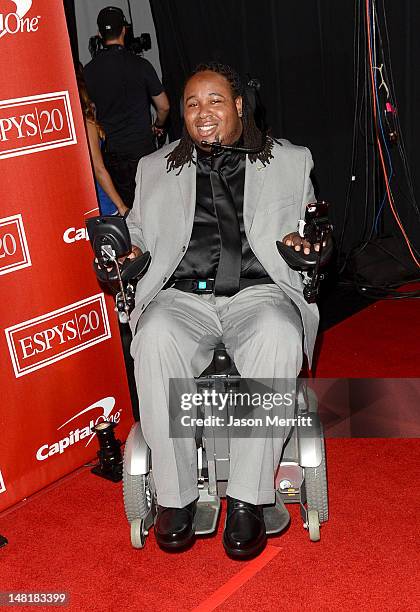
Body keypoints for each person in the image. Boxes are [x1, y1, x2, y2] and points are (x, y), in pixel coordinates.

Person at [125, 62, 320, 559]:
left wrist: (307, 245)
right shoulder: (155, 168)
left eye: (214, 100)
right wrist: (127, 252)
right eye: (191, 104)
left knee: (279, 331)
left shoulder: (291, 161)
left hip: (257, 293)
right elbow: (140, 234)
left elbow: (311, 233)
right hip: (182, 296)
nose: (201, 112)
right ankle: (175, 499)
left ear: (238, 106)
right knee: (153, 335)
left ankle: (248, 499)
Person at [83, 6, 170, 209]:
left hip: (113, 156)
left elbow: (89, 114)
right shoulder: (140, 65)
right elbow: (164, 106)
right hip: (144, 151)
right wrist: (158, 125)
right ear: (124, 30)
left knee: (130, 212)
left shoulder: (88, 72)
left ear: (99, 34)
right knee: (154, 206)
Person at [77, 66, 128, 216]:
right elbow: (98, 168)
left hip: (86, 200)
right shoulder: (86, 123)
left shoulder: (70, 125)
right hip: (101, 201)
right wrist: (120, 205)